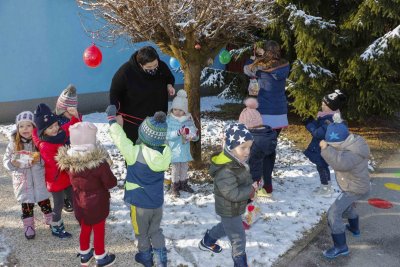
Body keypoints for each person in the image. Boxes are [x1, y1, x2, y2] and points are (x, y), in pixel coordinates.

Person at [106, 105, 171, 267]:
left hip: (139, 204)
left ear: (142, 136)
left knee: (141, 232)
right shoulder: (166, 152)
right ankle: (162, 258)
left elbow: (120, 140)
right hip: (157, 203)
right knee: (155, 231)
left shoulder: (134, 153)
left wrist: (112, 120)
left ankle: (146, 257)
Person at [56, 122, 117, 267]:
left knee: (85, 227)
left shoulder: (70, 163)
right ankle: (101, 257)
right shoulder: (99, 164)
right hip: (97, 204)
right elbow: (110, 183)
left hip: (79, 202)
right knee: (99, 229)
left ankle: (84, 254)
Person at [199, 123, 257, 267]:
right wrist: (249, 190)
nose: (247, 151)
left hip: (234, 206)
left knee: (226, 226)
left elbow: (241, 179)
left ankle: (208, 240)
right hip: (229, 207)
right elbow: (232, 193)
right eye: (243, 147)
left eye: (249, 147)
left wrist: (251, 186)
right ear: (231, 147)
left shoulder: (236, 160)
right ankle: (240, 263)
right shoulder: (225, 170)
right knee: (238, 237)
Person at [319, 113, 370, 259]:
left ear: (341, 142)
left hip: (354, 188)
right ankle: (354, 228)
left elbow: (339, 164)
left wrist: (325, 149)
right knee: (347, 207)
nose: (331, 146)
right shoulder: (351, 142)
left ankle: (341, 247)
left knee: (333, 213)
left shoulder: (352, 153)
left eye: (333, 145)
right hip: (356, 185)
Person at [109, 46, 176, 143]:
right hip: (134, 122)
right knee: (135, 152)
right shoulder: (125, 72)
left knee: (156, 151)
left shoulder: (161, 66)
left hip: (157, 120)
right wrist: (117, 113)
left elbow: (169, 77)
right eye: (149, 67)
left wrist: (169, 85)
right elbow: (115, 92)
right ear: (140, 64)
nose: (153, 69)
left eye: (155, 65)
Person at [3, 111, 53, 239]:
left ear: (34, 127)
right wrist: (13, 163)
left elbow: (48, 158)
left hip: (39, 178)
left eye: (28, 125)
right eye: (21, 126)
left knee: (44, 200)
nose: (25, 129)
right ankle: (29, 225)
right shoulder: (13, 144)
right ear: (17, 128)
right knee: (26, 203)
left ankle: (50, 219)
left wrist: (39, 159)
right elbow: (6, 161)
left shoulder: (39, 142)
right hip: (23, 180)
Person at [32, 103, 80, 238]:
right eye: (50, 128)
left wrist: (75, 117)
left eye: (55, 125)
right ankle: (55, 226)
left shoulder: (58, 134)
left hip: (66, 178)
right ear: (43, 131)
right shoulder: (45, 145)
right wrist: (71, 158)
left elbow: (70, 127)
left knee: (74, 199)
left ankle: (82, 219)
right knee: (58, 205)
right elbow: (57, 162)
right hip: (55, 181)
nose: (55, 129)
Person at [303, 89, 346, 197]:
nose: (322, 106)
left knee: (321, 166)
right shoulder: (328, 116)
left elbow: (318, 133)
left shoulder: (329, 120)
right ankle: (327, 185)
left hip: (322, 148)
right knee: (322, 166)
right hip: (324, 148)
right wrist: (313, 121)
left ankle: (325, 188)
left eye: (324, 105)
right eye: (322, 104)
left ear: (331, 107)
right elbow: (319, 127)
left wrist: (308, 124)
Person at [243, 40, 290, 136]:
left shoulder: (261, 68)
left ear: (266, 52)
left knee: (264, 144)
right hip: (281, 112)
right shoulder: (284, 65)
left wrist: (253, 58)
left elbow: (247, 69)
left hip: (265, 113)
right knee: (272, 144)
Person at [238, 98, 278, 197]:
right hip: (268, 149)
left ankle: (253, 191)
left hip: (257, 152)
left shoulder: (252, 139)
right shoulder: (268, 133)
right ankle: (268, 188)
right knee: (267, 168)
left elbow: (252, 165)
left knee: (254, 168)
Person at [166, 89, 199, 197]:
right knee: (176, 168)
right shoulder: (169, 120)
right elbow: (167, 135)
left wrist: (192, 136)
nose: (177, 112)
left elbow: (195, 135)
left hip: (184, 149)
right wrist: (178, 132)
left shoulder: (188, 120)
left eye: (180, 110)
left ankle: (183, 183)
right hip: (174, 150)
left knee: (184, 167)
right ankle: (174, 186)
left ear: (185, 110)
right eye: (175, 109)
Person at [55, 83, 79, 213]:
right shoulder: (55, 120)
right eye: (68, 110)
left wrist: (76, 118)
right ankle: (65, 199)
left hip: (74, 152)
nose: (71, 112)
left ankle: (74, 196)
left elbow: (81, 130)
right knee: (63, 178)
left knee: (74, 177)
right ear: (61, 108)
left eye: (73, 109)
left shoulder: (76, 117)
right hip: (60, 153)